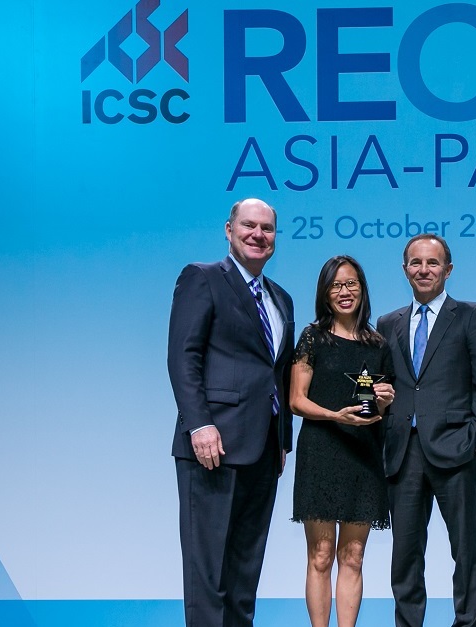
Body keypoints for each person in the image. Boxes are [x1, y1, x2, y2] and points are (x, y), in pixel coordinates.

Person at [167, 198, 295, 627]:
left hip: (263, 451)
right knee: (208, 575)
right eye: (249, 225)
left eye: (267, 229)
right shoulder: (202, 278)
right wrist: (199, 424)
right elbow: (183, 358)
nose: (258, 234)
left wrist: (282, 441)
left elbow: (278, 372)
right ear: (229, 229)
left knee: (244, 572)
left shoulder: (281, 299)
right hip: (212, 446)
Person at [376, 234, 476, 627]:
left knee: (465, 552)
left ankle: (467, 623)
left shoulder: (471, 315)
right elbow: (383, 384)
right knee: (406, 554)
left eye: (433, 263)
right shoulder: (387, 322)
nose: (424, 270)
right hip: (403, 453)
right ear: (404, 269)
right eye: (416, 263)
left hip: (456, 449)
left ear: (448, 269)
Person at [289, 255, 396, 627]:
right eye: (336, 285)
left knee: (353, 556)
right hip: (321, 451)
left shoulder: (378, 343)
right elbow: (296, 400)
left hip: (363, 457)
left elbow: (375, 403)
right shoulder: (312, 337)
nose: (344, 292)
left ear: (363, 290)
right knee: (320, 556)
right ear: (325, 292)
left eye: (351, 284)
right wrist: (336, 416)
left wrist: (382, 400)